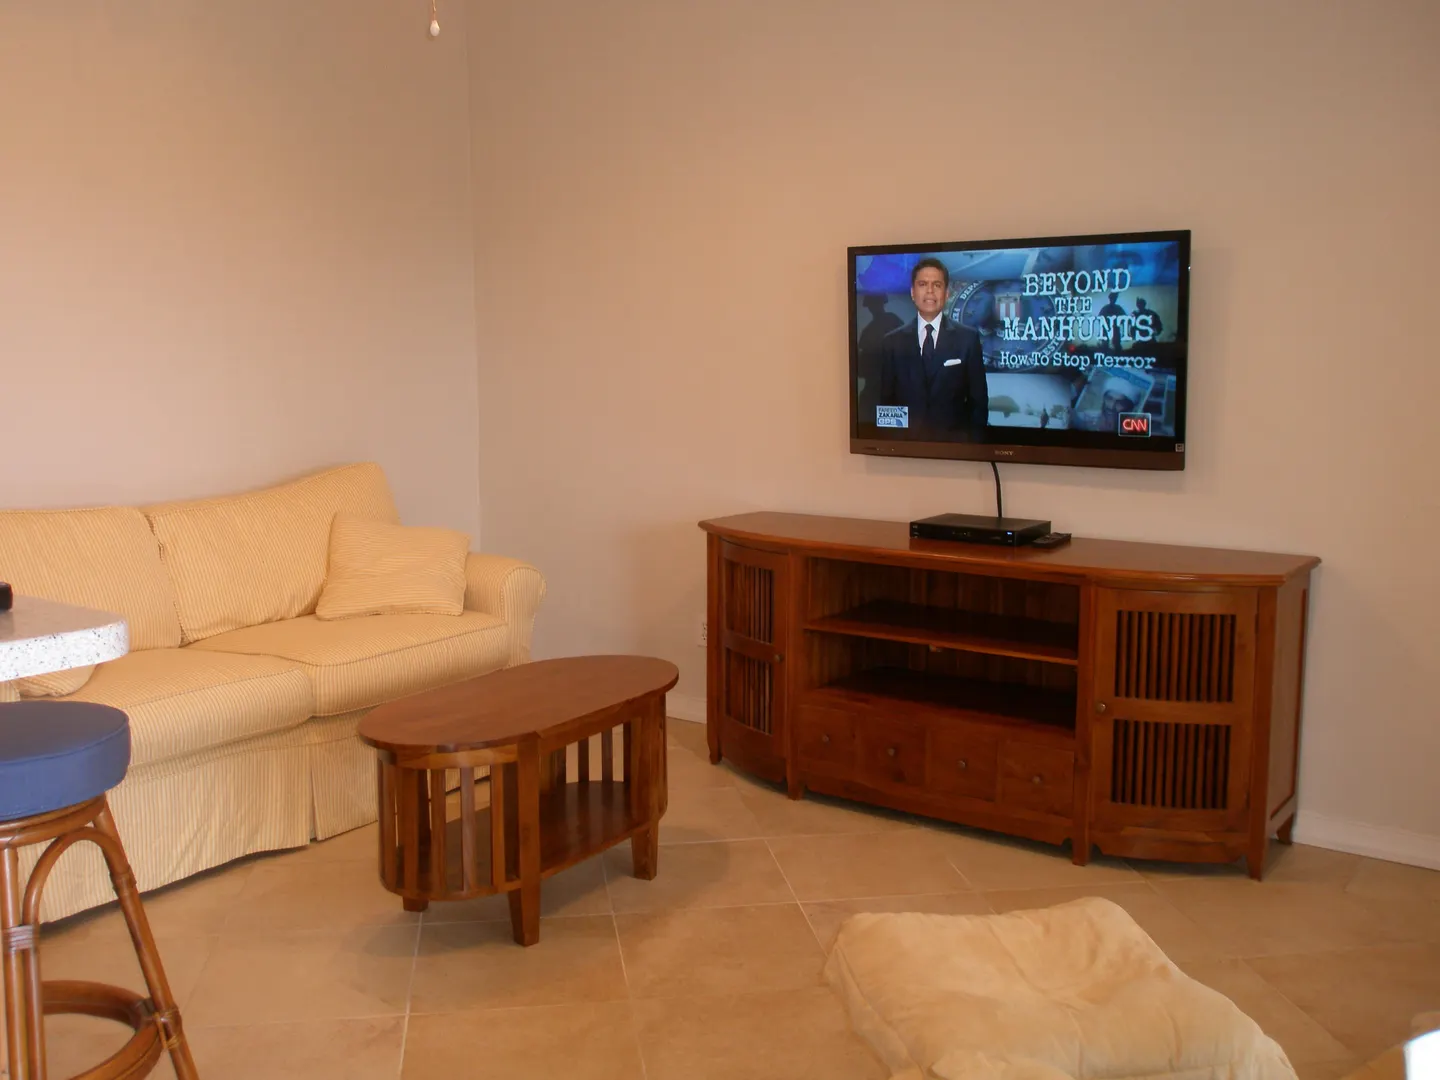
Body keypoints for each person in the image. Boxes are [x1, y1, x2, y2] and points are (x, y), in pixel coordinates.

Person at [878, 258, 988, 439]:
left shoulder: (968, 338)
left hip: (955, 446)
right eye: (923, 284)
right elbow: (887, 403)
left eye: (937, 285)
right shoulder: (892, 342)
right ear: (913, 293)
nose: (930, 291)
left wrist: (971, 448)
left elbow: (979, 403)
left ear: (947, 293)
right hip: (906, 446)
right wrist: (896, 445)